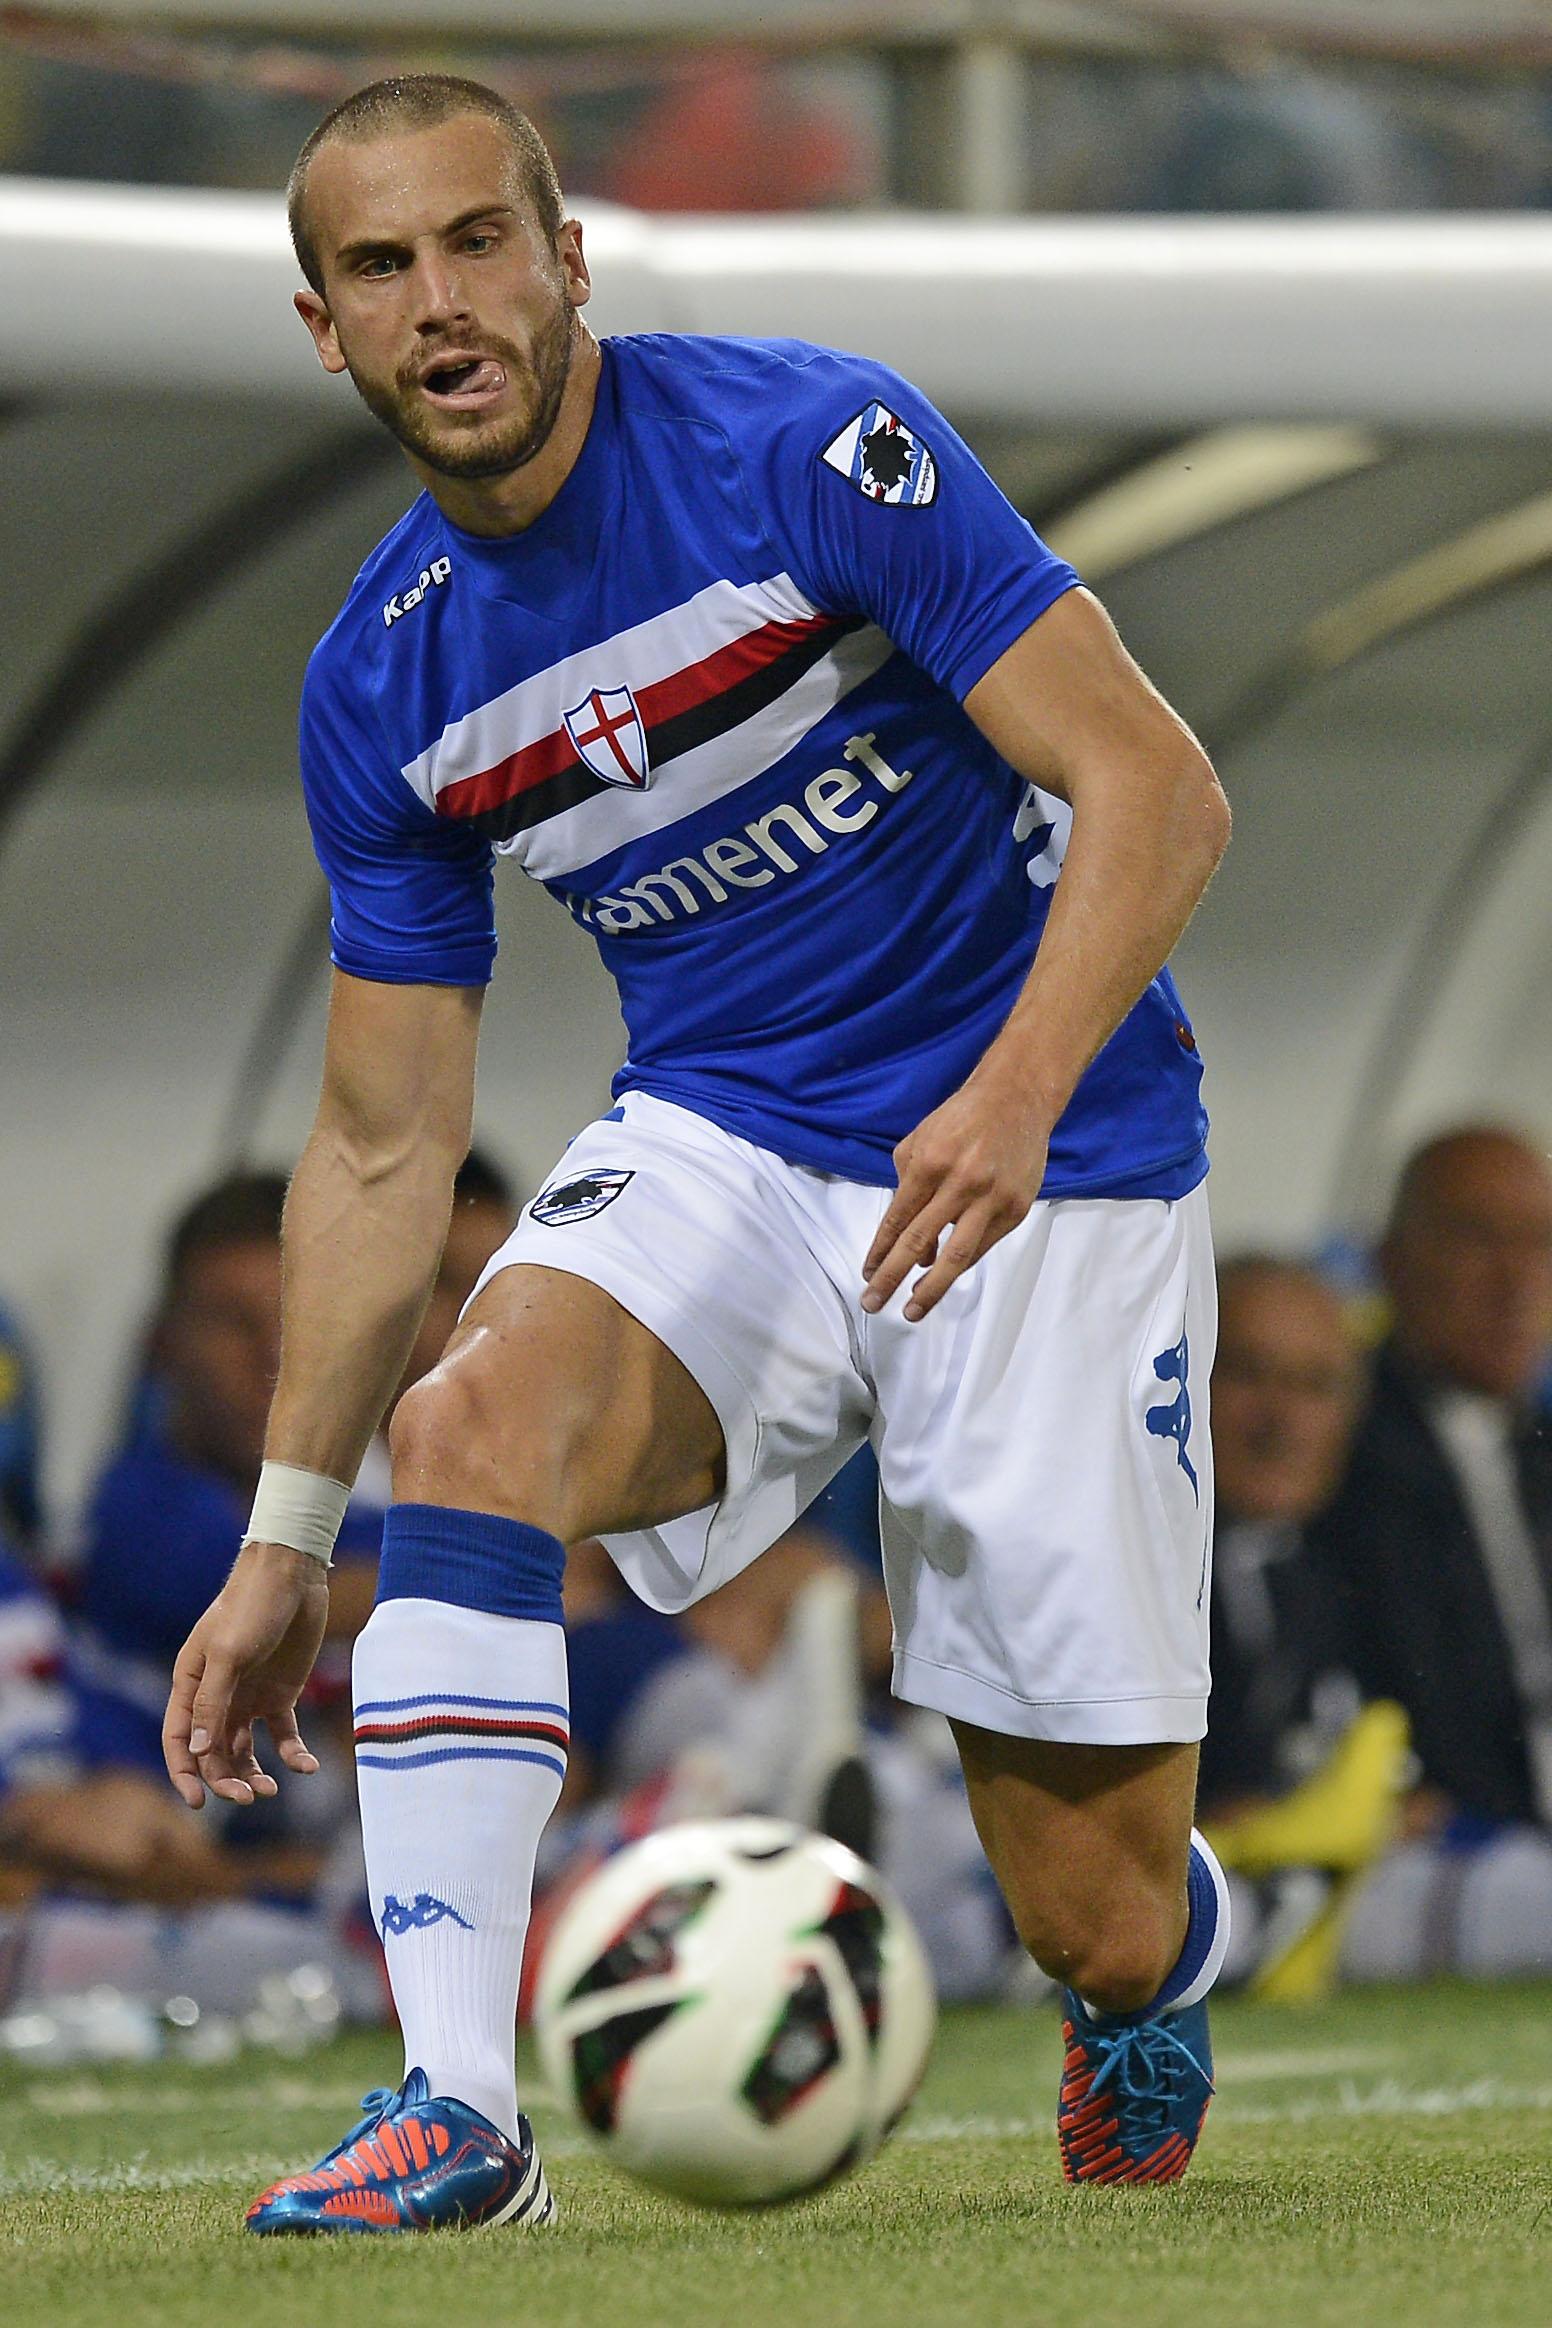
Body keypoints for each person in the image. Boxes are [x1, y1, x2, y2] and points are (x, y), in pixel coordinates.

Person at [161, 74, 1232, 2236]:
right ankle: (456, 2113)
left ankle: (1162, 1969)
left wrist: (1014, 1089)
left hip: (1046, 1151)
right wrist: (287, 1536)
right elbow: (382, 1141)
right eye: (380, 267)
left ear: (567, 262)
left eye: (478, 242)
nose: (438, 303)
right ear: (324, 327)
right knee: (466, 1426)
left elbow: (1154, 787)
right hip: (728, 1125)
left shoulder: (806, 445)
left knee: (1088, 1916)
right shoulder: (381, 681)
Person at [1315, 1125, 1552, 1979]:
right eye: (1478, 1238)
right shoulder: (1333, 1448)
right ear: (1390, 1262)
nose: (1515, 1281)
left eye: (1538, 1243)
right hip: (1431, 1851)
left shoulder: (1537, 1452)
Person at [1197, 1257, 1409, 2000]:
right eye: (1249, 1374)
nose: (1281, 1421)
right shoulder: (1107, 1557)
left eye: (1316, 1386)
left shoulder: (1363, 1569)